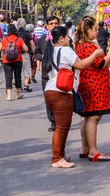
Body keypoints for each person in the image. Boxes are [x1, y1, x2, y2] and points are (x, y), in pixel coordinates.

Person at [44, 26, 105, 168]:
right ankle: (57, 159)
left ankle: (60, 154)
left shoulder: (52, 50)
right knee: (62, 127)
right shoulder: (65, 50)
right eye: (67, 37)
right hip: (61, 92)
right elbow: (81, 65)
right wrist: (95, 55)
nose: (69, 39)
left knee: (61, 126)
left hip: (50, 89)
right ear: (61, 39)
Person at [75, 16, 110, 162]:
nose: (97, 32)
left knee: (87, 117)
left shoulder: (81, 44)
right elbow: (101, 64)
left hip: (89, 84)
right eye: (95, 29)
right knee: (93, 118)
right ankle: (93, 151)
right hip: (93, 85)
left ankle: (85, 148)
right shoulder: (89, 46)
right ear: (88, 29)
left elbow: (101, 62)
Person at [35, 16, 60, 131]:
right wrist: (42, 57)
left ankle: (61, 120)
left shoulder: (64, 39)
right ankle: (53, 121)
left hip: (61, 75)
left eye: (56, 23)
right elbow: (36, 53)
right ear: (47, 26)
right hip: (47, 75)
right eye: (51, 23)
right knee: (49, 99)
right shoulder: (42, 40)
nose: (54, 25)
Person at [0, 24, 27, 101]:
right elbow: (26, 49)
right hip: (17, 60)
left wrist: (4, 49)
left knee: (8, 77)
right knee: (17, 76)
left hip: (6, 61)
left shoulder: (4, 39)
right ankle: (18, 94)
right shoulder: (19, 39)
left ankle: (9, 96)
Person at [18, 23, 35, 92]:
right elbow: (32, 44)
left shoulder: (16, 34)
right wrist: (34, 53)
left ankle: (18, 85)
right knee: (27, 69)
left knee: (18, 70)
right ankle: (26, 85)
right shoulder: (28, 34)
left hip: (17, 54)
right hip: (25, 54)